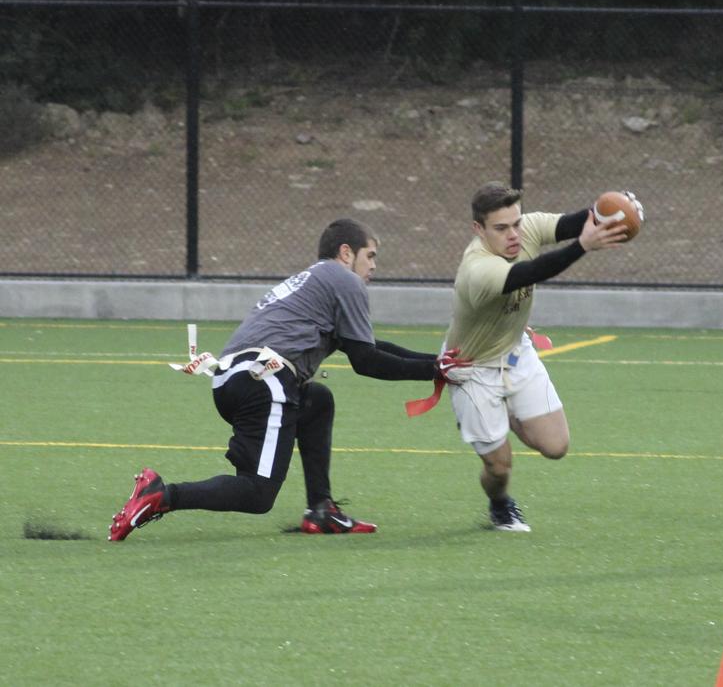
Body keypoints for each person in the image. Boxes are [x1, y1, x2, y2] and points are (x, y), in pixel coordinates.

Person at [108, 218, 466, 541]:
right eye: (370, 255)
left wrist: (436, 363)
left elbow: (369, 346)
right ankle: (161, 494)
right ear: (346, 253)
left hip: (237, 379)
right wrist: (433, 371)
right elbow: (366, 360)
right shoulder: (344, 280)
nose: (373, 266)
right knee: (257, 494)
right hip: (264, 379)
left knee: (317, 402)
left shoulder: (317, 281)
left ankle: (321, 510)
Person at [443, 182, 643, 532]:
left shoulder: (526, 228)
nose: (513, 234)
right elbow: (530, 273)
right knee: (499, 468)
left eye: (516, 223)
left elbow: (574, 222)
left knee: (556, 445)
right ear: (479, 229)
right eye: (501, 228)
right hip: (471, 369)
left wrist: (615, 211)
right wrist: (582, 246)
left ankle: (505, 412)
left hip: (515, 353)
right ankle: (500, 504)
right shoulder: (477, 268)